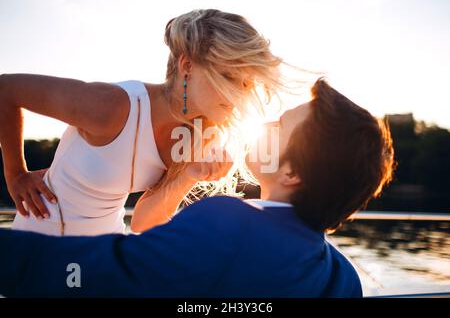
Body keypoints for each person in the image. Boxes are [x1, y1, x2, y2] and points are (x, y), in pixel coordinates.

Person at [0, 79, 394, 297]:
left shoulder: (228, 223)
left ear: (291, 173)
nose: (265, 128)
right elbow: (145, 228)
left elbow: (100, 273)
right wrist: (187, 176)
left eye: (278, 127)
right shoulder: (343, 278)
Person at [0, 9, 284, 236]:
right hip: (40, 247)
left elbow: (142, 223)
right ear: (187, 66)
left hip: (103, 258)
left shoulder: (200, 133)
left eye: (246, 82)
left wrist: (188, 175)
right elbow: (6, 90)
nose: (239, 94)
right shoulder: (111, 105)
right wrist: (15, 174)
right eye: (228, 77)